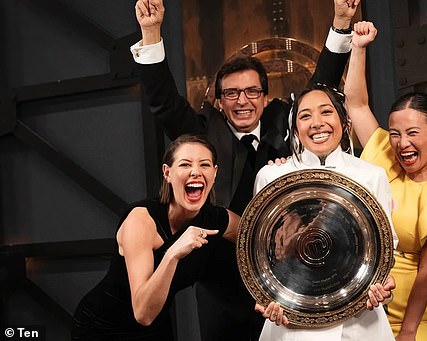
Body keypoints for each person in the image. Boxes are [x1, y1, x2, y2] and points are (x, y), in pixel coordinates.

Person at [131, 1, 361, 339]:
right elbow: (164, 102)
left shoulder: (285, 122)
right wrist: (151, 33)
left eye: (252, 91)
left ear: (266, 98)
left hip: (289, 275)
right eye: (232, 94)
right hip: (221, 284)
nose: (243, 100)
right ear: (220, 102)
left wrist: (341, 22)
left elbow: (321, 85)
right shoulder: (202, 131)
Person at [343, 22, 427, 340]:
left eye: (413, 133)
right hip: (360, 307)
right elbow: (356, 103)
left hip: (408, 317)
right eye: (396, 133)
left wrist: (409, 332)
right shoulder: (383, 153)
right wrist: (358, 48)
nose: (401, 143)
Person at [253, 83, 397, 340]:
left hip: (359, 320)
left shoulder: (371, 175)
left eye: (326, 112)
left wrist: (384, 284)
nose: (317, 123)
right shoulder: (272, 177)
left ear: (344, 120)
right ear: (295, 127)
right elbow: (262, 254)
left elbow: (385, 247)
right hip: (293, 319)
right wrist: (266, 296)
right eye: (305, 115)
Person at [72, 134, 239, 340]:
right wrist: (172, 255)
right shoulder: (141, 220)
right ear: (167, 173)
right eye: (185, 165)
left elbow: (262, 235)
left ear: (214, 173)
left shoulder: (216, 219)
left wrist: (284, 168)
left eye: (204, 165)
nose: (196, 172)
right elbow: (143, 313)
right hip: (103, 327)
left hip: (156, 327)